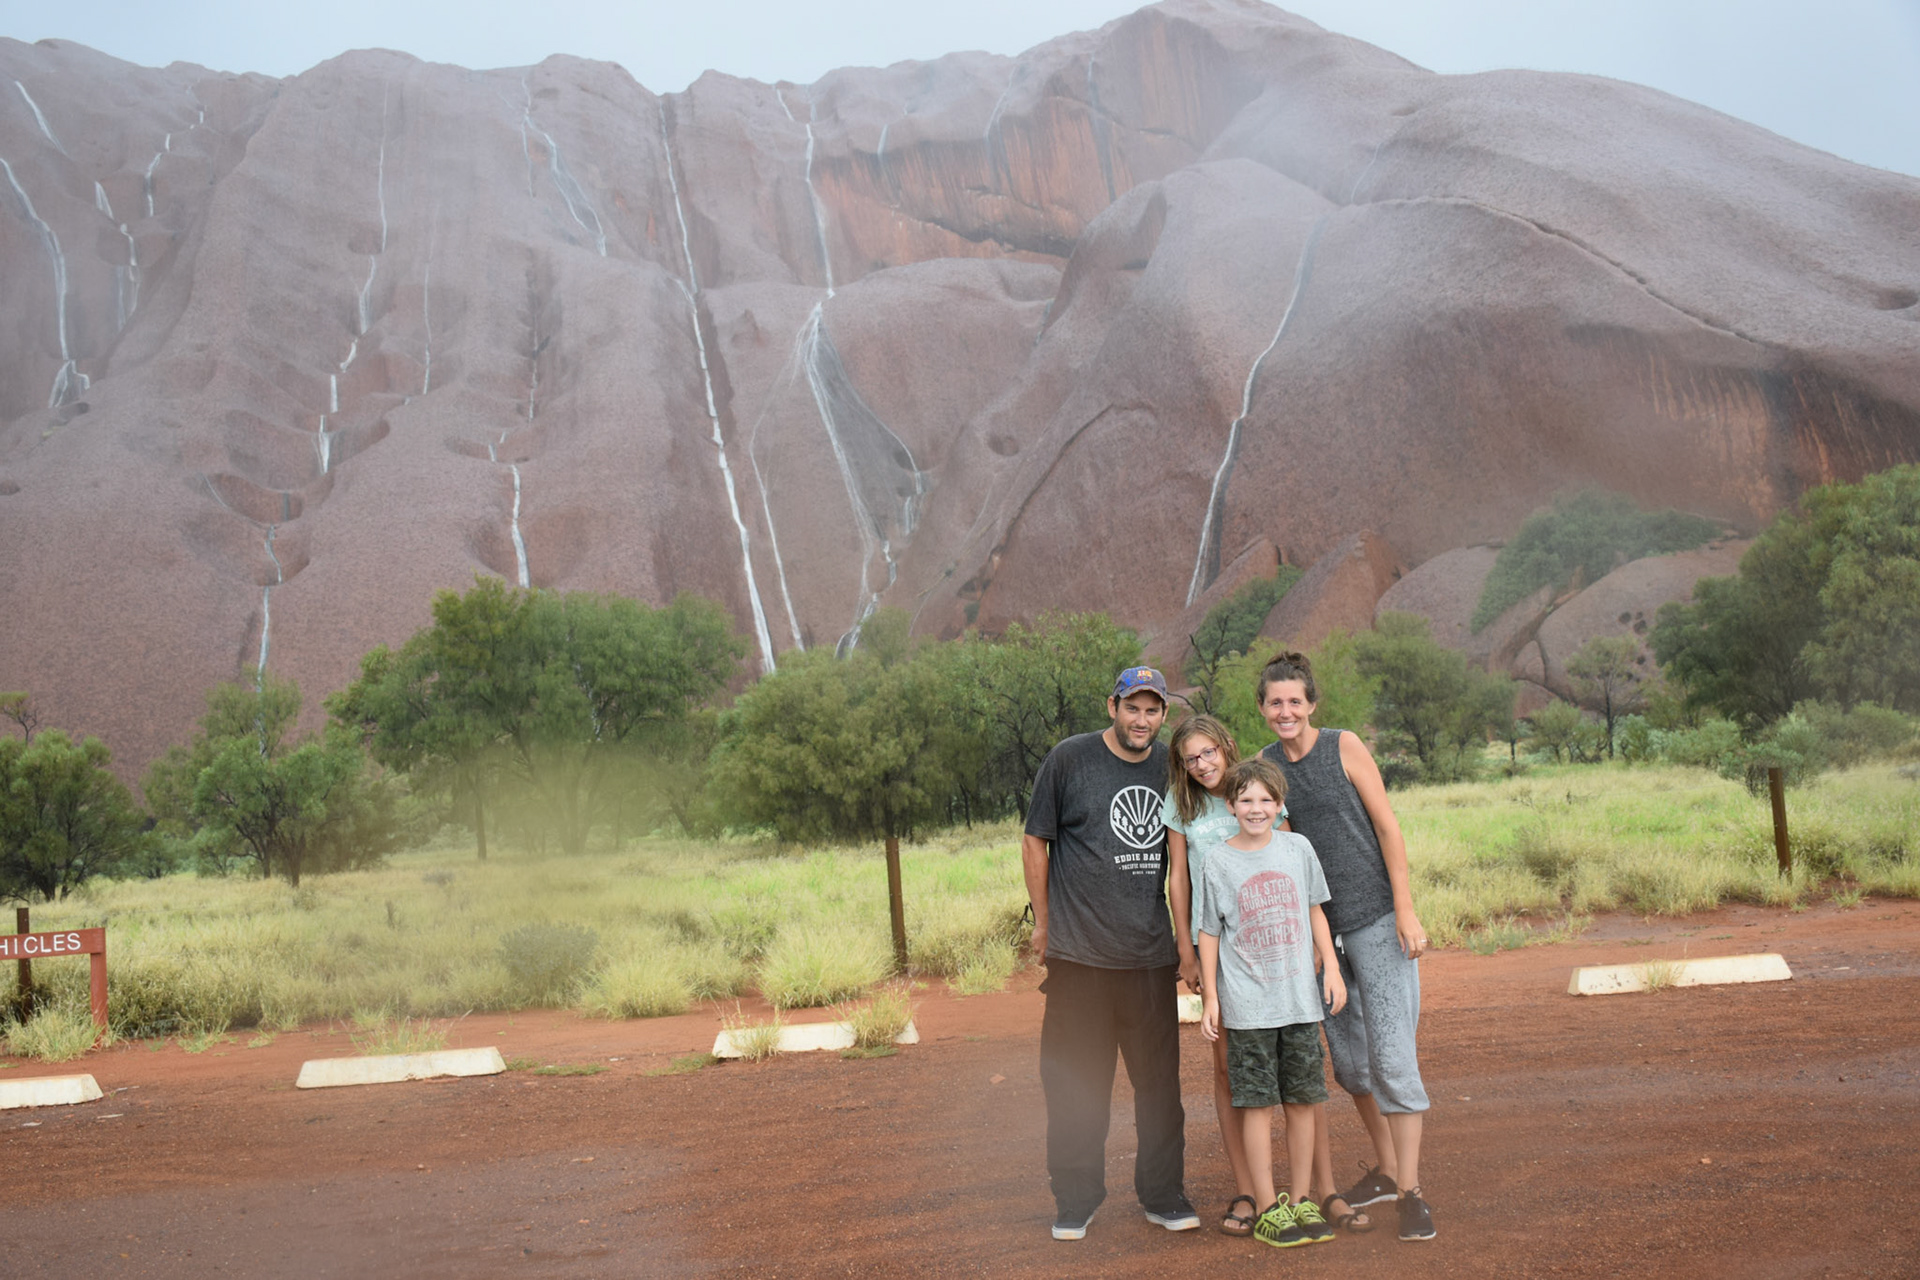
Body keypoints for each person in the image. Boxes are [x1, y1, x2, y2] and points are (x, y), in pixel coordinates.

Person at [1257, 649, 1438, 1242]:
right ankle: (1386, 1169)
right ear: (1262, 708)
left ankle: (1411, 1193)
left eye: (1295, 700)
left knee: (1392, 1057)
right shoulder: (1266, 766)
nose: (1286, 711)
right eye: (1275, 702)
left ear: (1312, 704)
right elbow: (1277, 848)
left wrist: (1405, 909)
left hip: (1377, 919)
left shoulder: (1344, 747)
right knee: (1352, 1065)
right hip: (1320, 936)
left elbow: (1386, 826)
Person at [1023, 665, 1199, 1241]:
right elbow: (1035, 841)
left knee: (1159, 1089)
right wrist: (1044, 923)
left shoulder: (1173, 766)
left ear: (1163, 715)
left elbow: (1183, 862)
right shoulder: (1069, 760)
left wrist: (1186, 947)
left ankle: (1163, 1194)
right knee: (1075, 1085)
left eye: (1152, 710)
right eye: (1132, 708)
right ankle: (1076, 1199)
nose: (1141, 720)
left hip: (1149, 959)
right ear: (1112, 707)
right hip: (1079, 959)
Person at [1195, 756, 1346, 1249]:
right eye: (1246, 800)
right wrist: (1211, 996)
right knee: (1257, 1104)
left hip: (1299, 1001)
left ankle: (1300, 1199)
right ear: (1231, 805)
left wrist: (1332, 967)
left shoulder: (1297, 848)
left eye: (1266, 799)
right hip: (1247, 1008)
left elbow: (1315, 908)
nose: (1256, 808)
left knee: (1303, 1101)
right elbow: (1209, 931)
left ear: (1280, 805)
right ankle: (1266, 1205)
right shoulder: (1217, 860)